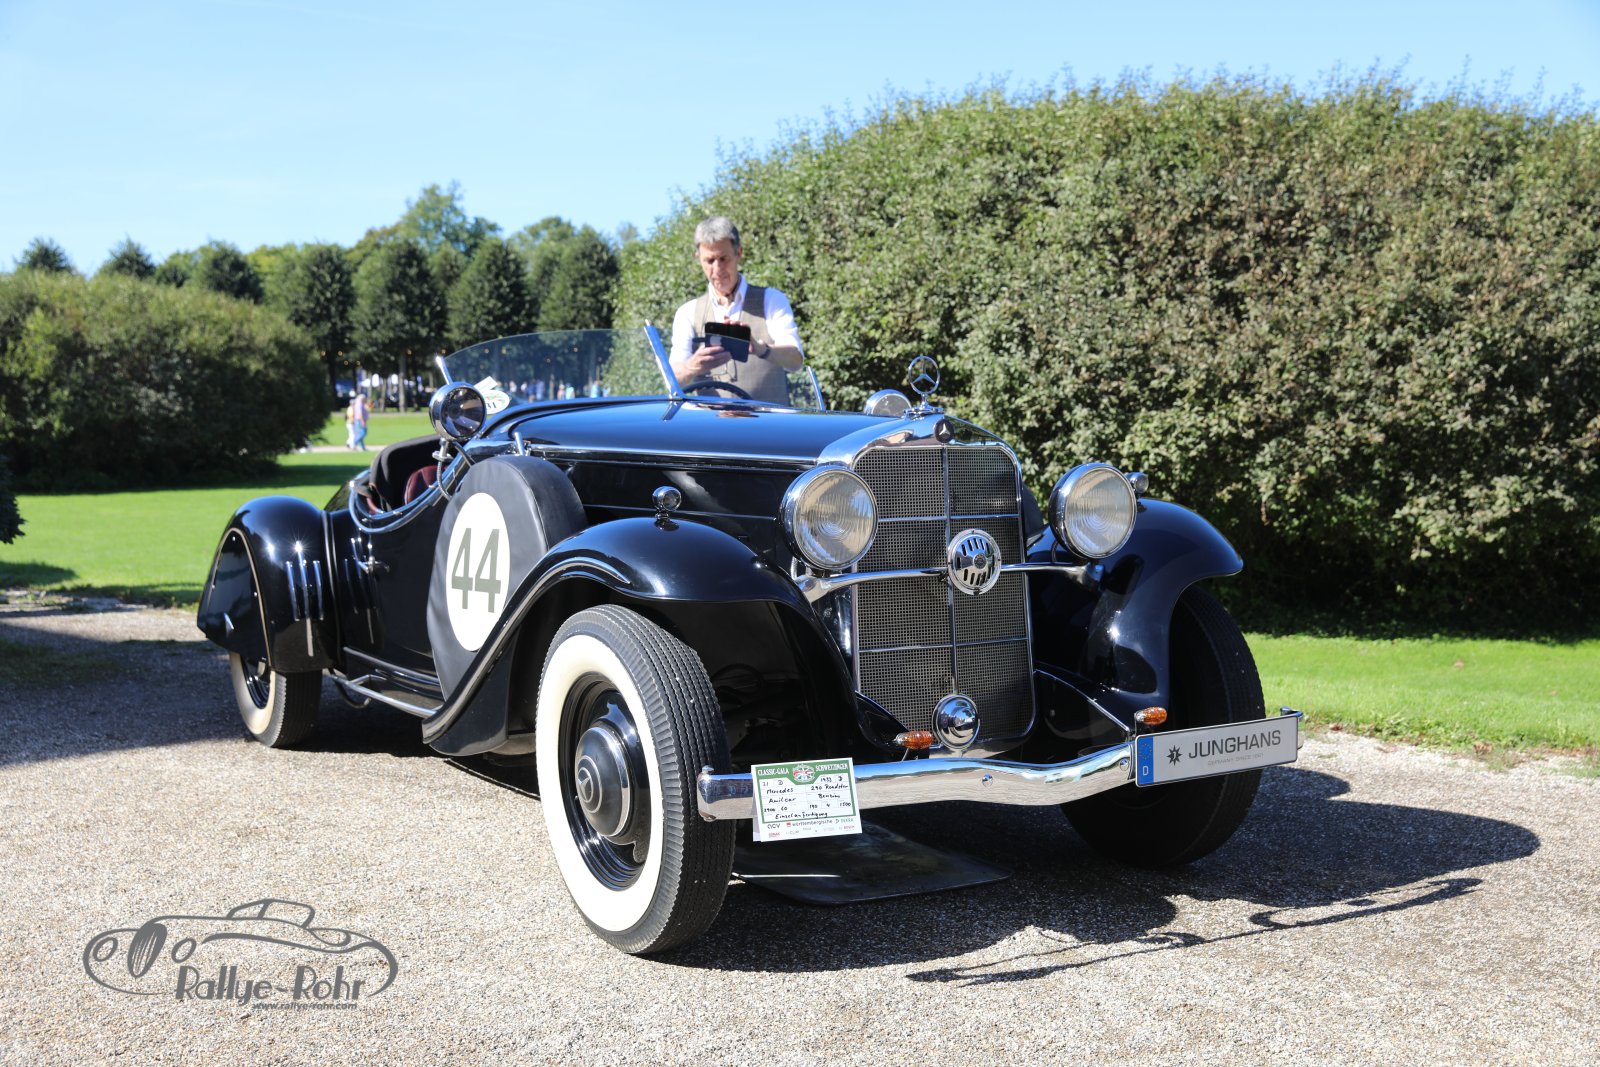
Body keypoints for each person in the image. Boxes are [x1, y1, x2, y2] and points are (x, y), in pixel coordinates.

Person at [669, 216, 803, 403]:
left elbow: (796, 360)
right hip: (711, 422)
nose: (717, 269)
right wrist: (693, 366)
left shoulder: (771, 300)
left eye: (723, 259)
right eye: (709, 261)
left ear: (739, 253)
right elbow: (671, 381)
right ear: (698, 259)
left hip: (770, 421)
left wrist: (761, 349)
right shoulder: (688, 313)